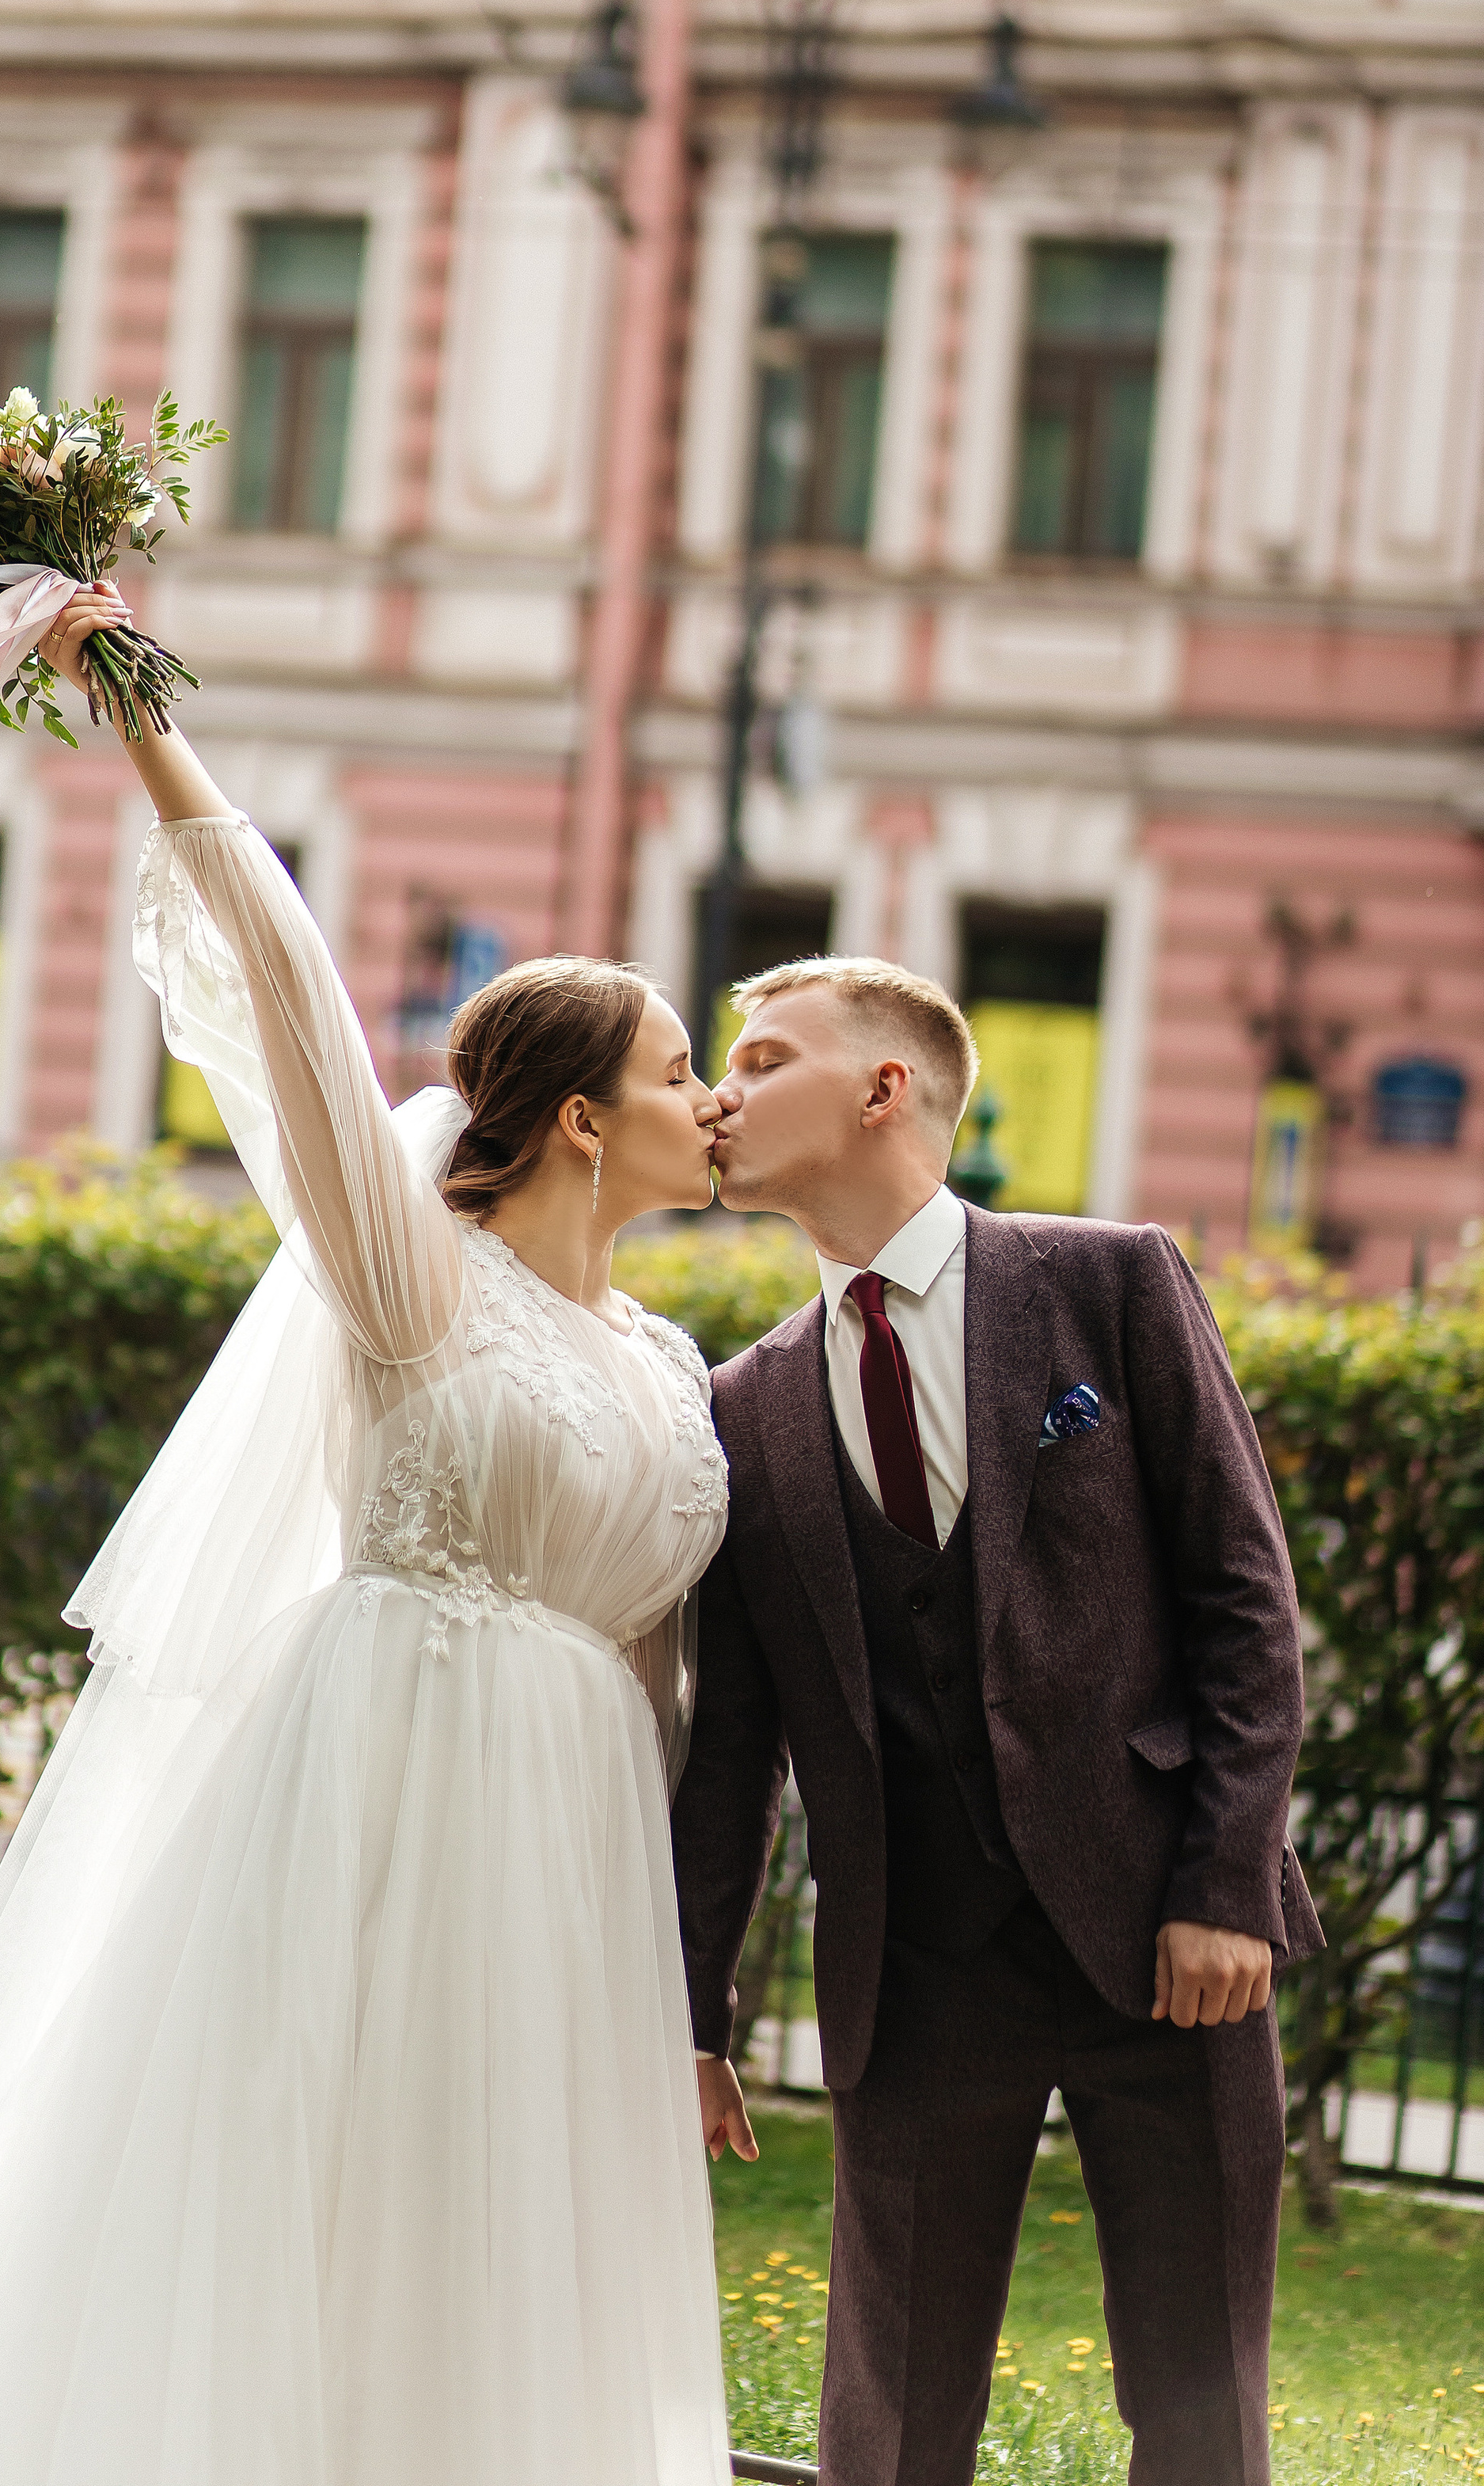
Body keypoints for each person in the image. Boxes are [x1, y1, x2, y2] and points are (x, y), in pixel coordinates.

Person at [0, 578, 735, 2486]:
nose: (709, 1103)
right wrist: (130, 699)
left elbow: (663, 1652)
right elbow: (296, 1012)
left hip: (575, 1835)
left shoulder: (671, 1359)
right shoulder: (417, 1277)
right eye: (676, 1071)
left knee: (506, 2233)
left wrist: (679, 1965)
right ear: (576, 1120)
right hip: (388, 1774)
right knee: (326, 2188)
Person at [675, 955, 1323, 2486]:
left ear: (884, 1090)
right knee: (892, 2426)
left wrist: (1225, 1887)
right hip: (917, 1966)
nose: (722, 1095)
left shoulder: (1110, 1280)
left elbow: (1245, 1605)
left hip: (1173, 1943)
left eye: (764, 1062)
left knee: (1198, 2399)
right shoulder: (744, 1406)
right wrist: (693, 2016)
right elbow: (731, 1751)